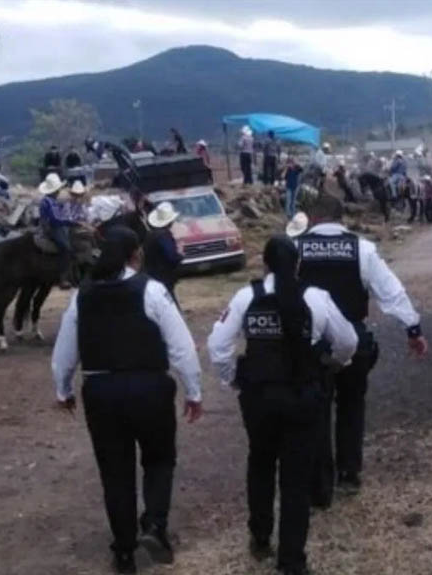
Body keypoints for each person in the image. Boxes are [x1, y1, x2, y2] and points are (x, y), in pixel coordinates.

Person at [51, 225, 202, 574]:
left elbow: (64, 353)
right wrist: (193, 391)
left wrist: (64, 390)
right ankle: (155, 526)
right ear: (136, 255)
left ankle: (123, 551)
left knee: (115, 473)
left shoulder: (82, 295)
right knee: (160, 459)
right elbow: (180, 347)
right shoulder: (151, 290)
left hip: (101, 393)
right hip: (150, 387)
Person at [207, 235, 358, 575]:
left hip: (258, 398)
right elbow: (348, 341)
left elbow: (218, 345)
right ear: (298, 264)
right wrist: (332, 364)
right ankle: (292, 559)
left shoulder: (247, 296)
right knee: (296, 480)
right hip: (302, 397)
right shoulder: (316, 298)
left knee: (260, 464)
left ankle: (260, 537)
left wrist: (234, 378)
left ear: (265, 264)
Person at [295, 193, 427, 502]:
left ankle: (320, 480)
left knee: (316, 410)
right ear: (341, 218)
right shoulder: (362, 249)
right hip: (353, 338)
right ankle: (349, 472)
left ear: (312, 219)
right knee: (352, 405)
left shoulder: (296, 249)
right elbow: (391, 292)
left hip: (310, 343)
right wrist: (413, 328)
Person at [38, 173, 78, 290]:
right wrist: (71, 222)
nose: (59, 191)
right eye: (58, 189)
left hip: (51, 225)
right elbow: (56, 219)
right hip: (51, 228)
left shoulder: (49, 200)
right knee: (66, 249)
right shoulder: (49, 202)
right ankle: (63, 278)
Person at [144, 202, 184, 301]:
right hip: (163, 276)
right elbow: (171, 256)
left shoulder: (150, 235)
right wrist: (180, 254)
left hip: (151, 275)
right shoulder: (164, 236)